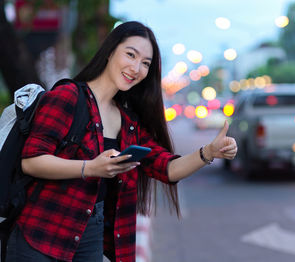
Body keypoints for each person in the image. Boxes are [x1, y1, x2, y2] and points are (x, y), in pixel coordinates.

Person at [5, 21, 237, 262]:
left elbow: (168, 168)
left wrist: (209, 152)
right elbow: (31, 161)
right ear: (110, 51)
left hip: (90, 235)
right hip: (40, 234)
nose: (136, 68)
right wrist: (90, 168)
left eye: (145, 63)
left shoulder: (128, 122)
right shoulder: (68, 97)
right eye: (130, 54)